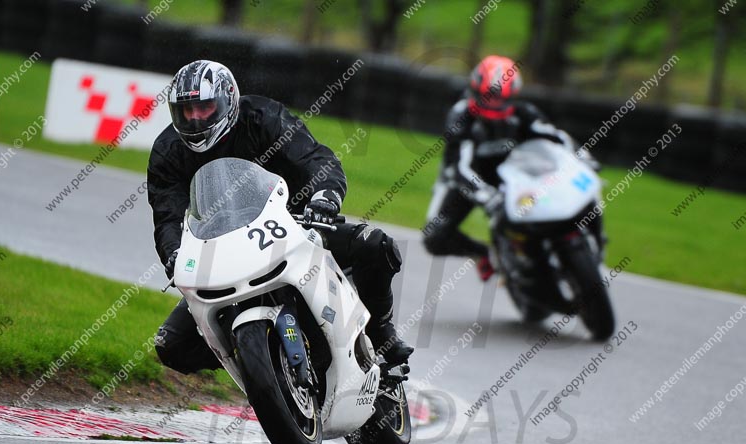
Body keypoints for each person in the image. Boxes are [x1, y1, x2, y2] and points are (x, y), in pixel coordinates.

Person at [148, 60, 413, 378]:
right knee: (171, 346)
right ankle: (259, 364)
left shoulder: (262, 117)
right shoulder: (167, 151)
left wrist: (324, 197)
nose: (194, 120)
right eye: (185, 111)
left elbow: (315, 158)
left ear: (227, 99)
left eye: (203, 108)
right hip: (223, 251)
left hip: (296, 226)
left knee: (375, 244)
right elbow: (166, 215)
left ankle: (382, 334)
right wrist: (174, 253)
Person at [422, 55, 602, 281]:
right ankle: (483, 254)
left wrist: (584, 157)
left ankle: (594, 241)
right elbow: (460, 166)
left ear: (512, 96)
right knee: (434, 237)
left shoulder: (524, 113)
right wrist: (487, 196)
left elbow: (558, 139)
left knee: (586, 190)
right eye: (488, 97)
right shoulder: (461, 117)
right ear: (475, 90)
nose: (493, 104)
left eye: (499, 99)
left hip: (516, 174)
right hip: (468, 178)